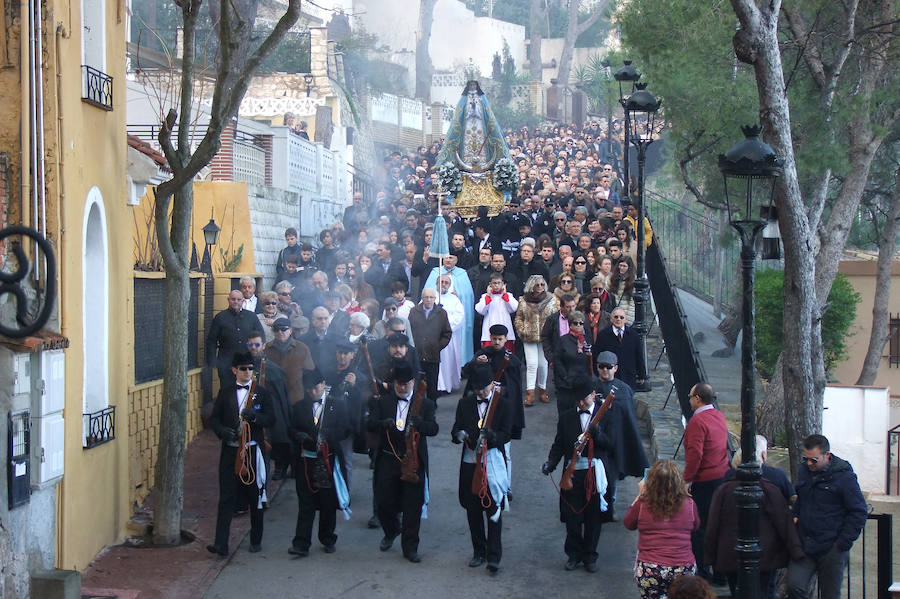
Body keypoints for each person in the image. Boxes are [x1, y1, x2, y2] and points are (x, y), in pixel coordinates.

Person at [705, 450, 804, 599]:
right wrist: (796, 552)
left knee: (737, 592)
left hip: (731, 555)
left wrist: (710, 557)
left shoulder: (723, 490)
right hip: (765, 556)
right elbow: (784, 523)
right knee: (763, 592)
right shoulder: (769, 490)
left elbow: (713, 525)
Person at [367, 364, 439, 563]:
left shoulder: (425, 404)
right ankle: (391, 531)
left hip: (413, 461)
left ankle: (410, 547)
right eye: (399, 384)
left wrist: (419, 424)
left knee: (412, 506)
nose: (402, 387)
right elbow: (369, 423)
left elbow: (433, 429)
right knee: (383, 502)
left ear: (413, 383)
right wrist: (382, 424)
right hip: (388, 458)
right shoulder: (383, 402)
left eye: (406, 384)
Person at [207, 352, 274, 556]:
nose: (247, 372)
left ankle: (256, 539)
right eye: (243, 369)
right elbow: (215, 419)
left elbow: (271, 419)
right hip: (231, 450)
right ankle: (221, 544)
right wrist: (222, 431)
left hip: (253, 450)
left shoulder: (261, 393)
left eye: (250, 368)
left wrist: (255, 417)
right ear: (234, 370)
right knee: (227, 498)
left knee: (255, 496)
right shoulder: (225, 392)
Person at [787, 434, 867, 599]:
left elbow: (858, 511)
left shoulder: (844, 477)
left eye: (814, 460)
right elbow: (801, 499)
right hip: (806, 544)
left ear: (827, 455)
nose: (809, 463)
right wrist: (796, 515)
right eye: (806, 459)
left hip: (832, 547)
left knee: (830, 594)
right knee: (794, 586)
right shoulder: (804, 472)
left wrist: (842, 542)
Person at [541, 385, 611, 573]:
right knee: (572, 517)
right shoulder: (566, 417)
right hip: (572, 474)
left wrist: (598, 435)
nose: (581, 403)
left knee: (593, 518)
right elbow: (559, 444)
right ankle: (573, 555)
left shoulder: (605, 415)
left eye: (584, 399)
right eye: (577, 400)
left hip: (594, 473)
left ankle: (590, 556)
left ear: (593, 395)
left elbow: (611, 445)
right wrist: (551, 463)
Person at [451, 365, 512, 574]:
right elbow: (455, 429)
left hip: (492, 461)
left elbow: (507, 434)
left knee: (493, 508)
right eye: (477, 389)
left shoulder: (502, 404)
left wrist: (494, 437)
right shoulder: (464, 404)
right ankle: (479, 551)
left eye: (484, 388)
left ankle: (494, 556)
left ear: (492, 385)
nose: (481, 392)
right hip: (470, 462)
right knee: (473, 509)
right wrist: (459, 435)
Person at [287, 368, 351, 558]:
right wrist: (298, 435)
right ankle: (301, 543)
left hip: (329, 459)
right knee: (305, 503)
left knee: (327, 503)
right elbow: (291, 429)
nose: (312, 392)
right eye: (309, 389)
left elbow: (346, 430)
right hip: (306, 461)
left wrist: (328, 436)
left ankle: (327, 538)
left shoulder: (337, 405)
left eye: (315, 388)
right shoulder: (299, 407)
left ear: (323, 384)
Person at [624, 459, 700, 599]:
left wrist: (640, 495)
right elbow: (696, 526)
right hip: (683, 566)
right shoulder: (689, 504)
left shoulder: (643, 504)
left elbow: (628, 523)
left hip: (651, 567)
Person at [592, 350, 649, 520]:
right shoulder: (591, 387)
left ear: (615, 368)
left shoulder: (624, 390)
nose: (605, 370)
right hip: (596, 439)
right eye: (601, 366)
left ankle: (609, 507)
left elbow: (628, 417)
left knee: (612, 475)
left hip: (617, 439)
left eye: (608, 367)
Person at [682, 382, 730, 579]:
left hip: (704, 481)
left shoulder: (697, 422)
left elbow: (695, 453)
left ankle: (702, 572)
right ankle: (720, 572)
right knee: (718, 524)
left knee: (699, 526)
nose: (689, 400)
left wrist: (687, 479)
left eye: (690, 397)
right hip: (722, 476)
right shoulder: (719, 416)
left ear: (698, 399)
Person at [246, 331, 293, 481]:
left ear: (263, 345)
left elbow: (281, 396)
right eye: (250, 344)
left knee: (276, 438)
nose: (253, 347)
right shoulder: (244, 366)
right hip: (250, 409)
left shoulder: (273, 370)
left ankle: (280, 466)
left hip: (272, 408)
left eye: (257, 344)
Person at [206, 290, 265, 388]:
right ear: (228, 300)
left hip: (248, 364)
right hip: (226, 364)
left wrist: (258, 356)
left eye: (238, 299)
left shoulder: (251, 317)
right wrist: (213, 361)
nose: (236, 302)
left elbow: (261, 337)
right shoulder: (220, 317)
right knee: (227, 392)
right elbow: (211, 340)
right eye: (233, 299)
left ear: (243, 301)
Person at [514, 275, 558, 406]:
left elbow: (556, 316)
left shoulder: (551, 299)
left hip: (545, 337)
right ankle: (530, 393)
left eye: (542, 284)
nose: (540, 287)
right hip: (529, 336)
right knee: (532, 364)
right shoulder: (523, 300)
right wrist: (522, 330)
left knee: (543, 364)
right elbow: (518, 318)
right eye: (537, 284)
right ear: (531, 286)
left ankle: (542, 390)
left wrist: (552, 333)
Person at [406, 288, 452, 401]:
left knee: (432, 384)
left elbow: (447, 333)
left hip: (433, 356)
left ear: (435, 298)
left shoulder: (441, 313)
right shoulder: (414, 311)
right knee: (416, 385)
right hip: (417, 354)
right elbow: (408, 330)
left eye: (431, 297)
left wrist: (437, 346)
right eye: (426, 297)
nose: (429, 300)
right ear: (422, 298)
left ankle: (432, 405)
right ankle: (415, 407)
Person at [552, 310, 595, 414]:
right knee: (566, 414)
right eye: (575, 323)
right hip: (567, 385)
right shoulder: (563, 340)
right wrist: (565, 377)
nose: (579, 325)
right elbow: (557, 361)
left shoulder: (587, 340)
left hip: (583, 384)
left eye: (581, 323)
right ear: (570, 325)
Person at [265, 317, 315, 405]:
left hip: (296, 398)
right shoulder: (267, 349)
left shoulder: (302, 348)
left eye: (283, 329)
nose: (280, 332)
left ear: (290, 330)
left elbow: (309, 372)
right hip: (274, 398)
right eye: (276, 329)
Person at [594, 307, 645, 389]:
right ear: (611, 319)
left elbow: (639, 355)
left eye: (621, 317)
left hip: (629, 376)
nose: (618, 319)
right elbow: (597, 355)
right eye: (616, 317)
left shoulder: (633, 335)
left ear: (625, 320)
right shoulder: (603, 335)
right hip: (609, 377)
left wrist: (641, 375)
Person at [436, 274, 466, 393]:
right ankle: (437, 386)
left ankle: (447, 385)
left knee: (448, 361)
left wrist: (445, 327)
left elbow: (459, 316)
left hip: (449, 336)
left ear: (449, 285)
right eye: (441, 282)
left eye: (446, 282)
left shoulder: (454, 299)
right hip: (434, 336)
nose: (443, 284)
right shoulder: (430, 297)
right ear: (436, 283)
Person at [474, 273, 518, 350]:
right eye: (494, 283)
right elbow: (480, 310)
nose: (497, 285)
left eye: (499, 283)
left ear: (503, 284)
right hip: (489, 329)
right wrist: (488, 296)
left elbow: (514, 308)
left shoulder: (508, 295)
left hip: (506, 329)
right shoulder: (485, 296)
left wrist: (505, 295)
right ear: (490, 284)